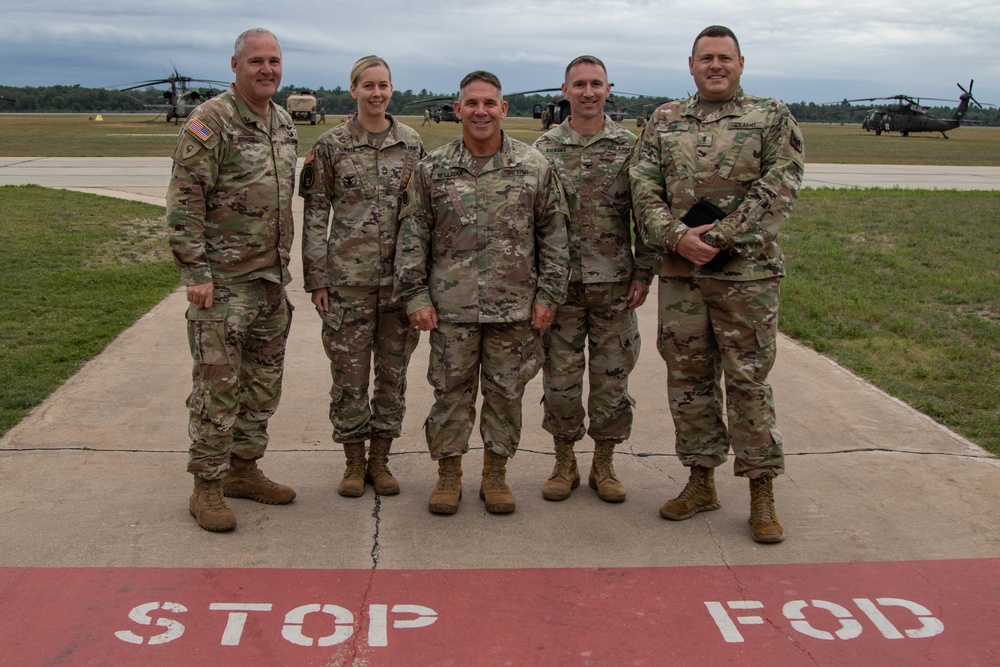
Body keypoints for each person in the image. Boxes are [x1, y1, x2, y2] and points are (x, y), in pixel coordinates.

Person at [629, 25, 804, 543]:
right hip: (682, 277)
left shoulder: (771, 117)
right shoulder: (664, 119)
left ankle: (761, 489)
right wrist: (676, 237)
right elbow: (641, 185)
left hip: (745, 277)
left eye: (724, 58)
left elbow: (782, 183)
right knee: (688, 380)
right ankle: (700, 481)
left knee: (748, 381)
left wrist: (721, 236)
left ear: (741, 63)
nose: (715, 66)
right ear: (691, 64)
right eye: (706, 58)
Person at [394, 70, 570, 516]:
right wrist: (415, 297)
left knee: (506, 395)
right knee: (450, 394)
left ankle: (495, 474)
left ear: (503, 109)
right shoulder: (433, 168)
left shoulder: (533, 166)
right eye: (471, 103)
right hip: (450, 309)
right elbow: (412, 235)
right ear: (458, 110)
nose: (480, 111)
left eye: (489, 103)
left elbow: (554, 237)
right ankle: (448, 475)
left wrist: (549, 296)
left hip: (514, 310)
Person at [167, 28, 299, 532]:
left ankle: (244, 469)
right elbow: (184, 200)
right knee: (217, 389)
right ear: (235, 65)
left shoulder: (283, 122)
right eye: (257, 61)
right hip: (223, 284)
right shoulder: (211, 121)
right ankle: (206, 487)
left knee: (263, 386)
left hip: (270, 281)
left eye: (274, 61)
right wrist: (195, 272)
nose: (267, 69)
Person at [532, 56, 655, 503]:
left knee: (612, 380)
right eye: (579, 84)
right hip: (560, 290)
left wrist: (644, 270)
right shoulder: (542, 151)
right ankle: (564, 461)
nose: (588, 92)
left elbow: (647, 214)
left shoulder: (631, 147)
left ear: (608, 90)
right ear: (564, 91)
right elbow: (531, 223)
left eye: (596, 84)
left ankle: (604, 463)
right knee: (560, 381)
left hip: (616, 287)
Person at [300, 56, 424, 498]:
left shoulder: (411, 144)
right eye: (367, 85)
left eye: (383, 85)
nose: (376, 93)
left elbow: (421, 216)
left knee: (393, 376)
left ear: (392, 90)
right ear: (353, 90)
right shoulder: (330, 145)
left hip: (398, 285)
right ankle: (354, 462)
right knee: (349, 376)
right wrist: (316, 278)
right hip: (346, 283)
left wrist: (419, 283)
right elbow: (315, 215)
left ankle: (381, 461)